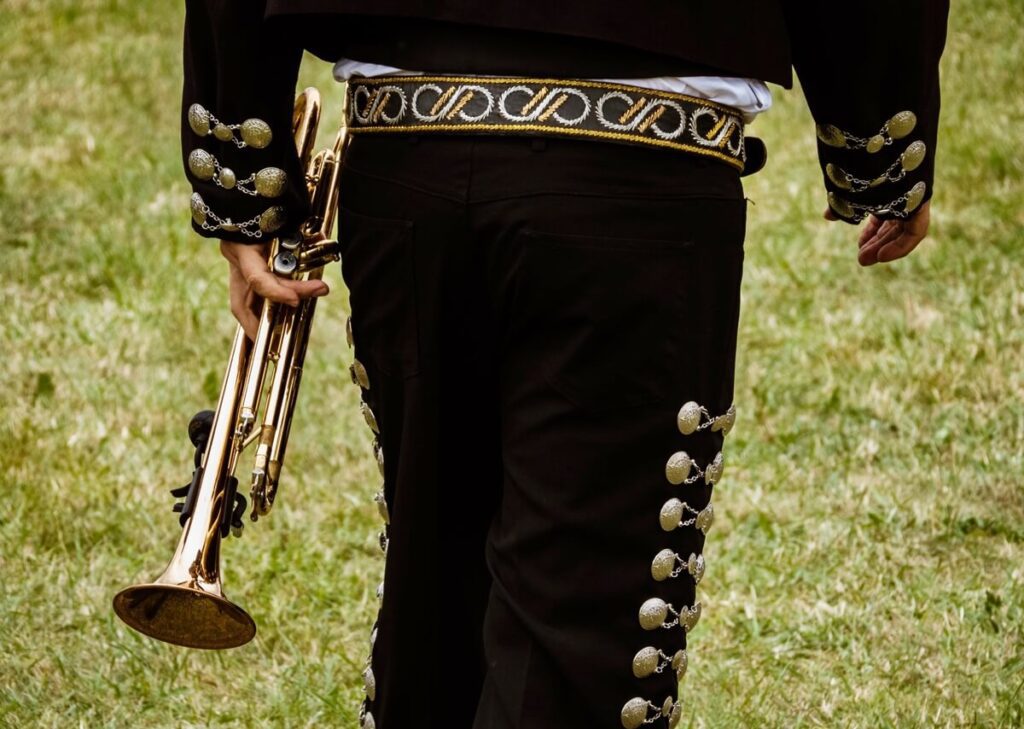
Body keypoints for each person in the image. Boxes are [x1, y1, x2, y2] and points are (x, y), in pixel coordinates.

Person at [181, 3, 949, 727]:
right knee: (575, 636)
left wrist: (242, 166)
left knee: (434, 611)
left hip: (412, 141)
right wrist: (882, 139)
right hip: (643, 163)